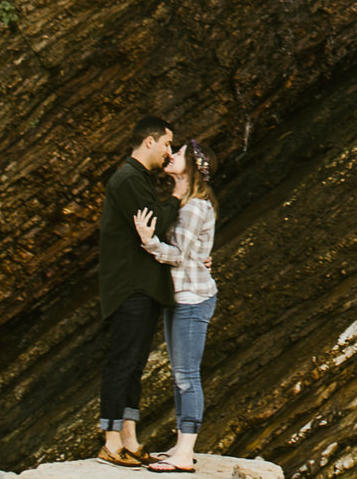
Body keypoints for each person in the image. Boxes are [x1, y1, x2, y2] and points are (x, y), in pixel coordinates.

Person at [135, 140, 220, 474]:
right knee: (181, 376)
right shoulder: (186, 202)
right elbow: (195, 252)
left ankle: (185, 454)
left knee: (187, 376)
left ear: (192, 168)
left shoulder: (195, 206)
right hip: (181, 296)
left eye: (180, 152)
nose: (172, 155)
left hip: (192, 299)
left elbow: (179, 254)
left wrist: (148, 241)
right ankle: (181, 446)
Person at [97, 116, 179, 467]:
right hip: (129, 285)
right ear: (149, 141)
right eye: (167, 144)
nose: (169, 152)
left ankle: (129, 437)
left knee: (134, 366)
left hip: (142, 286)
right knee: (122, 363)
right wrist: (177, 195)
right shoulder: (129, 178)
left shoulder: (138, 178)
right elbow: (155, 223)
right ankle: (111, 442)